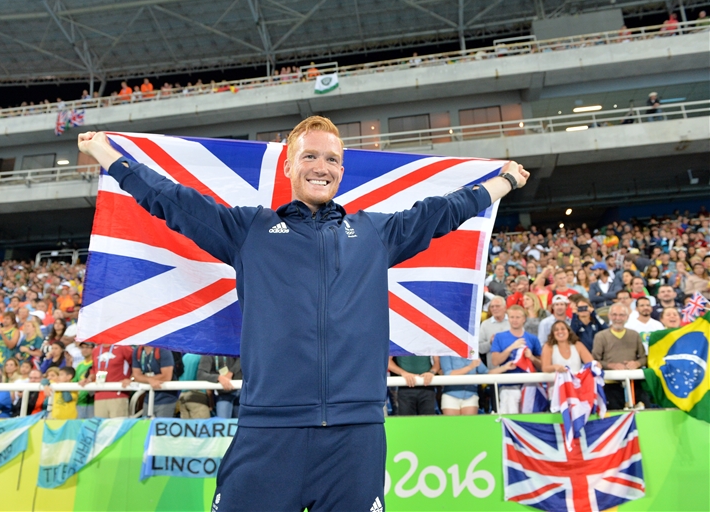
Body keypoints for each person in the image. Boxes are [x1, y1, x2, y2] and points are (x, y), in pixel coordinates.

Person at [77, 115, 529, 511]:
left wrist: (504, 180)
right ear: (290, 166)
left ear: (342, 171)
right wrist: (109, 156)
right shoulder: (249, 230)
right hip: (269, 431)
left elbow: (444, 211)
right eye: (310, 156)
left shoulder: (374, 233)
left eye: (332, 160)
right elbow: (173, 200)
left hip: (356, 437)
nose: (321, 167)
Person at [591, 304, 648, 410]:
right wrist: (610, 365)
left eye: (621, 315)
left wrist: (637, 363)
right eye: (614, 315)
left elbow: (643, 358)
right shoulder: (600, 336)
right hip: (611, 384)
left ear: (627, 317)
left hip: (633, 383)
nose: (618, 318)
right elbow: (595, 361)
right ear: (609, 316)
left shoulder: (634, 335)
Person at [490, 305, 542, 414]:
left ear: (524, 319)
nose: (514, 320)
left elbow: (542, 365)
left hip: (529, 386)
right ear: (508, 318)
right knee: (509, 419)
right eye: (512, 317)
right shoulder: (499, 337)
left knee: (528, 420)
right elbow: (495, 361)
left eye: (518, 317)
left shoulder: (532, 338)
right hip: (508, 386)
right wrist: (511, 348)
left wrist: (531, 358)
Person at [439, 356, 516, 415]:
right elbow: (448, 373)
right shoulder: (447, 353)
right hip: (451, 395)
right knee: (452, 429)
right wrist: (470, 367)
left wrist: (504, 368)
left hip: (471, 395)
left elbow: (486, 373)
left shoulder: (473, 352)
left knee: (469, 430)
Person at [132, 345, 179, 418]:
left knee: (160, 427)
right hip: (148, 398)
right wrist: (149, 380)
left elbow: (167, 376)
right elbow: (136, 376)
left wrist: (145, 379)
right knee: (145, 427)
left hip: (166, 398)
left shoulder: (163, 350)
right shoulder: (137, 351)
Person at [89, 343, 133, 418]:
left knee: (117, 427)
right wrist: (88, 379)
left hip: (118, 394)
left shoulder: (124, 348)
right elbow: (94, 370)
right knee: (101, 427)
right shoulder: (96, 350)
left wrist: (131, 379)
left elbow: (137, 365)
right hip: (99, 395)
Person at [177, 353, 211, 420]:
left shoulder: (185, 357)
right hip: (197, 397)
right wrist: (211, 402)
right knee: (201, 428)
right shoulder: (203, 357)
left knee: (186, 429)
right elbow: (206, 380)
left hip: (182, 397)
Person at [74, 342, 95, 419]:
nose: (84, 350)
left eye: (87, 347)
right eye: (82, 347)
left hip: (92, 402)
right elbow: (74, 381)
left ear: (93, 349)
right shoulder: (80, 365)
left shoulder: (96, 363)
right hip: (79, 402)